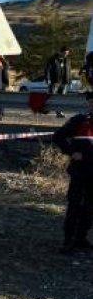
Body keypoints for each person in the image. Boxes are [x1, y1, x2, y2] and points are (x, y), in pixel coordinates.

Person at [52, 91, 93, 254]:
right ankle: (68, 240)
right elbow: (58, 137)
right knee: (74, 205)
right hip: (80, 172)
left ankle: (81, 238)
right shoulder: (79, 121)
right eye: (91, 103)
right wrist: (70, 151)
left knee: (90, 208)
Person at [46, 46, 72, 118]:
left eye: (67, 53)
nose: (65, 54)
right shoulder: (53, 59)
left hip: (64, 82)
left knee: (61, 98)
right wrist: (47, 78)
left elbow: (69, 70)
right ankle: (46, 109)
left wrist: (69, 80)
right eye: (64, 53)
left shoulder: (67, 60)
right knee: (52, 96)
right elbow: (47, 69)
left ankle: (59, 112)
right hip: (55, 81)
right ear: (61, 52)